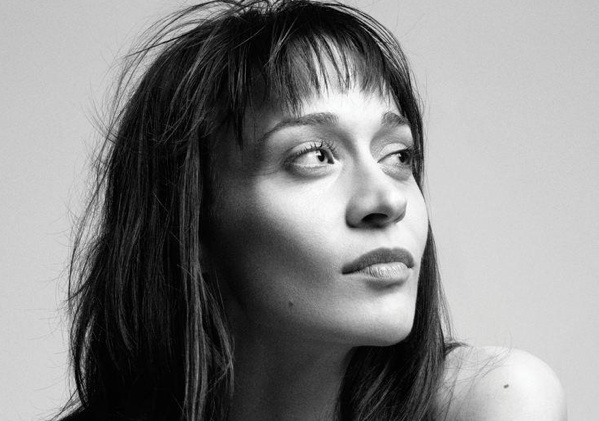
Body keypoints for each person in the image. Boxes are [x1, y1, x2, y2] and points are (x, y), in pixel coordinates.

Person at [57, 1, 566, 420]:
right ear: (193, 225)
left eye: (398, 157)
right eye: (315, 156)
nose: (387, 201)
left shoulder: (496, 399)